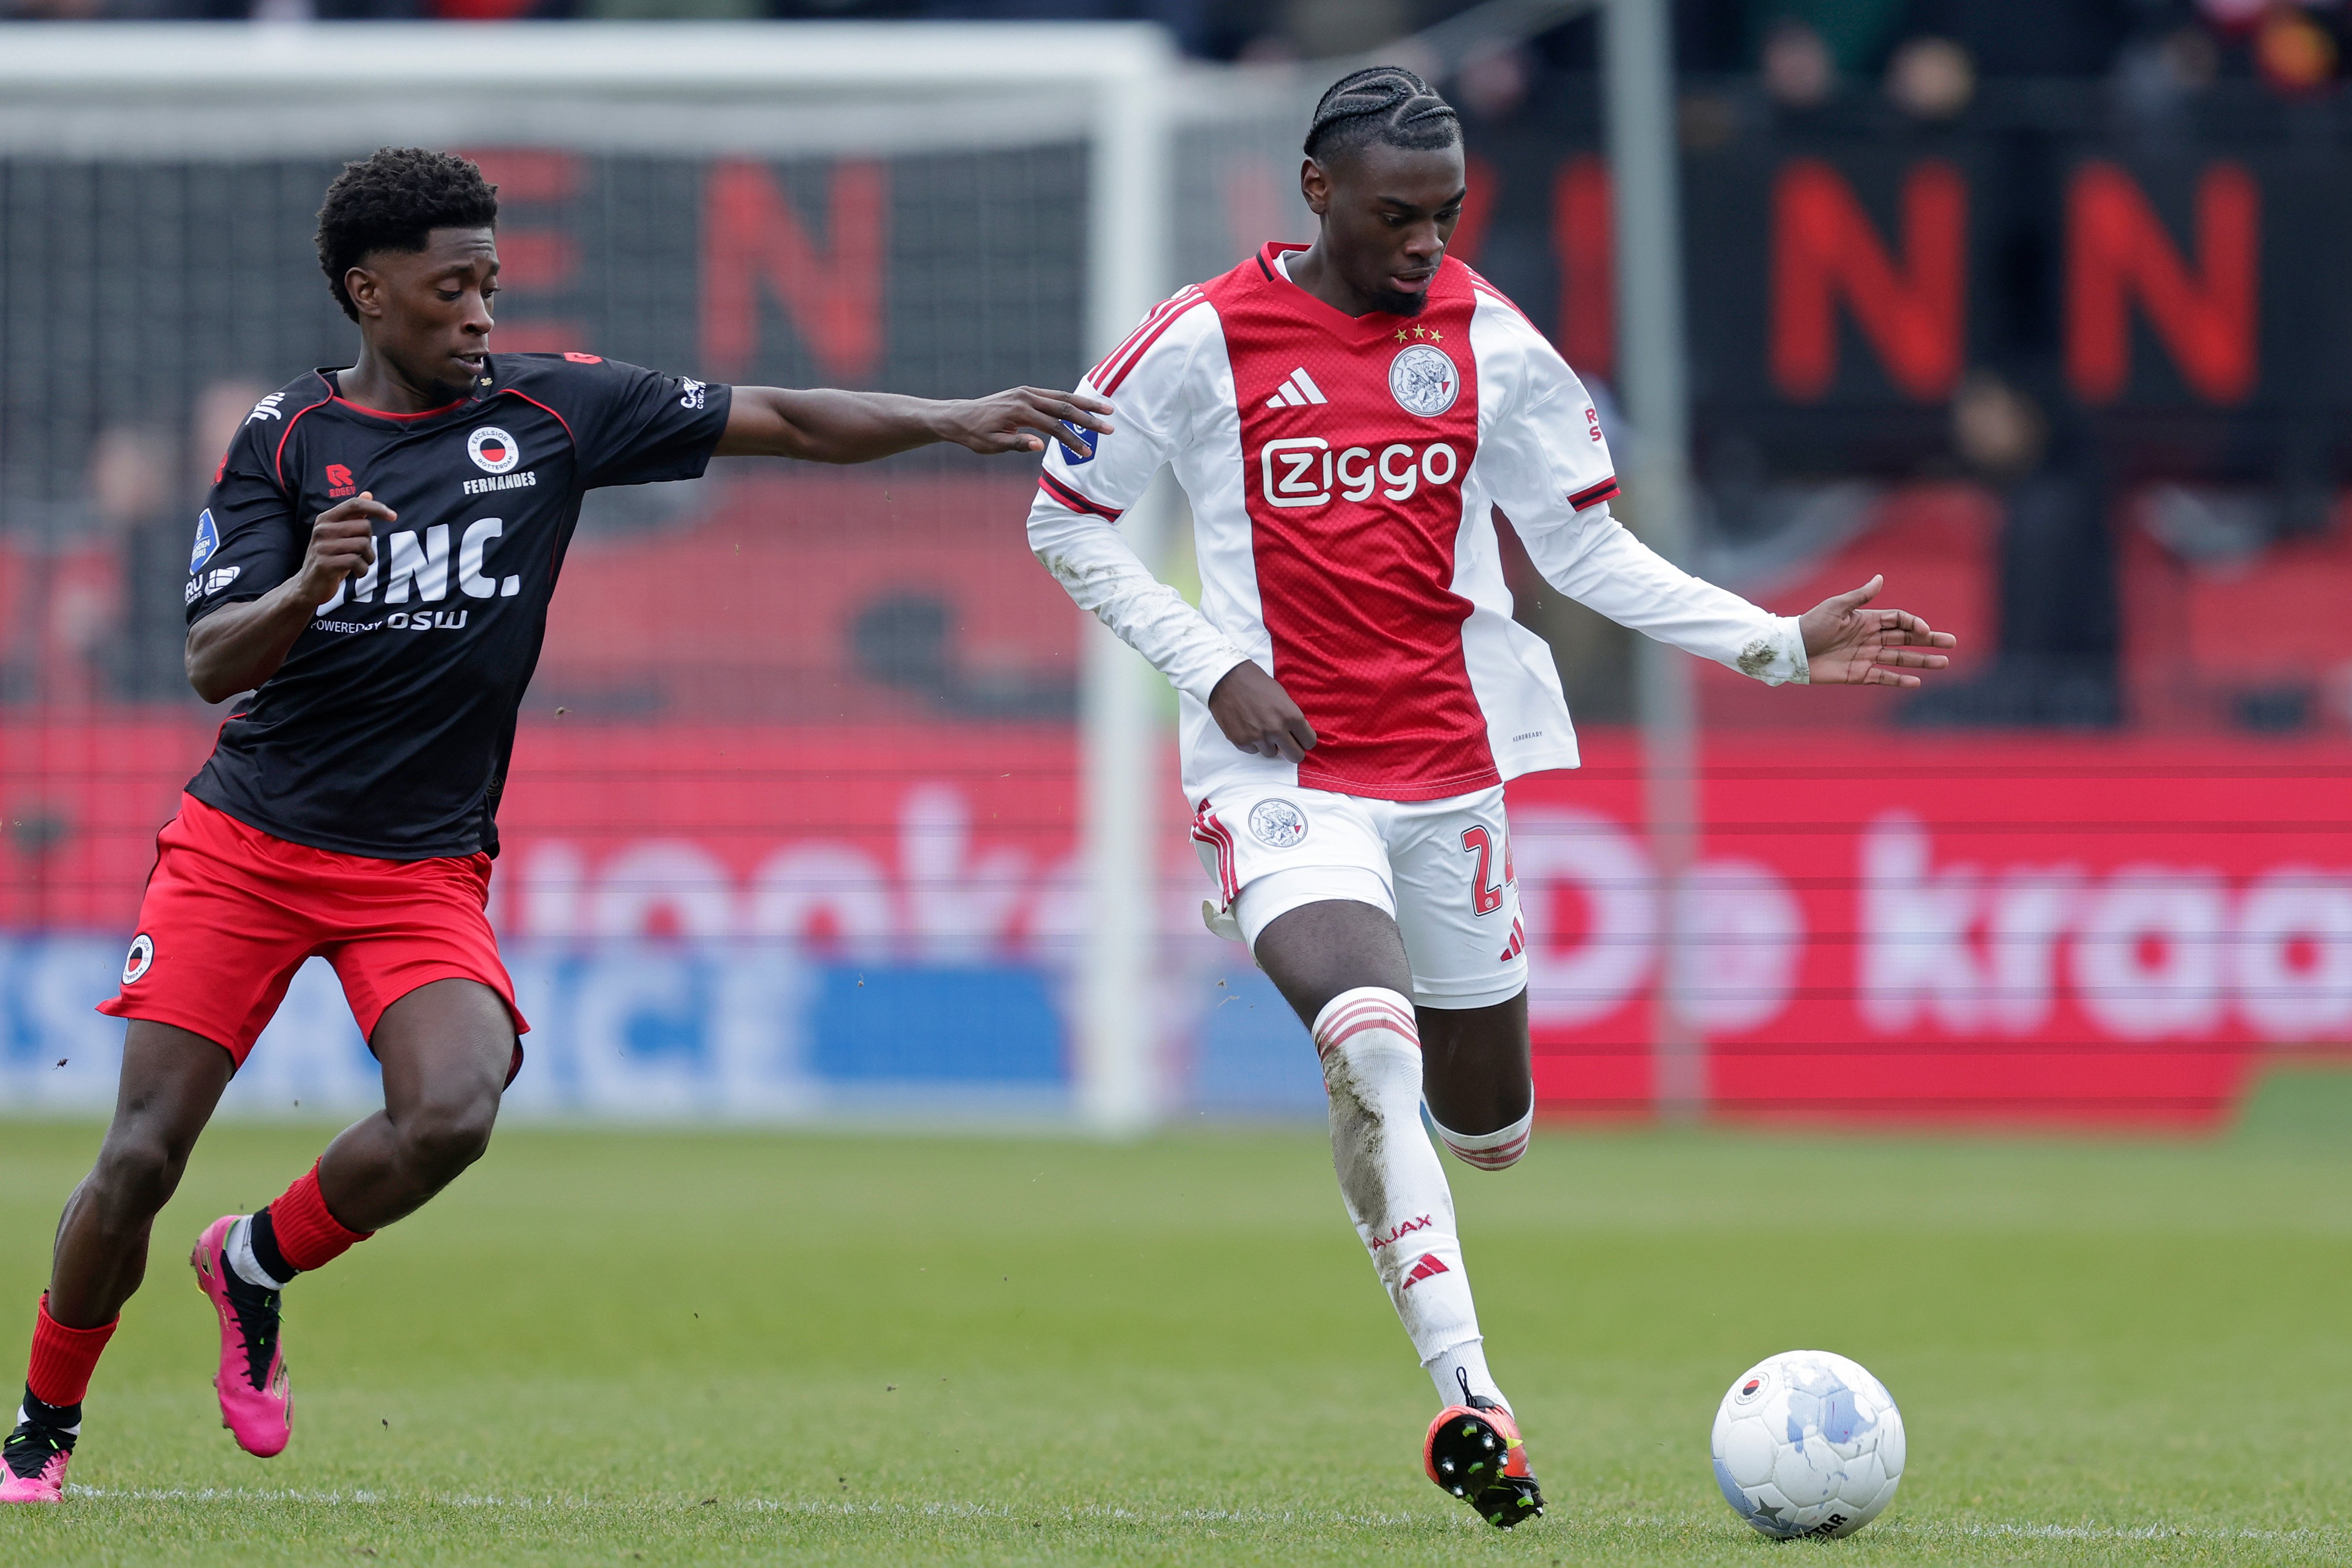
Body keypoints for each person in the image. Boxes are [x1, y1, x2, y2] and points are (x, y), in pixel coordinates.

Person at [0, 146, 1111, 1505]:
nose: (480, 313)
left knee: (453, 1112)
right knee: (138, 1157)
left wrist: (952, 417)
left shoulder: (551, 411)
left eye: (491, 284)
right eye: (451, 289)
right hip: (246, 851)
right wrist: (305, 587)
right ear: (368, 292)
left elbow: (781, 415)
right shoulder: (284, 440)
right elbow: (209, 661)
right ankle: (40, 1431)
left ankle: (254, 1260)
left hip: (417, 870)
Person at [1024, 67, 1954, 1528]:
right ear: (1317, 192)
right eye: (1396, 215)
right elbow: (1064, 521)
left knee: (1488, 1123)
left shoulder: (1491, 340)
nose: (1424, 244)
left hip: (1452, 774)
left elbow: (1584, 551)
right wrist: (1214, 668)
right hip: (1282, 775)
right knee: (1366, 1038)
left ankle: (1426, 1154)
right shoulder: (1199, 338)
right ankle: (1474, 1399)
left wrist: (1773, 643)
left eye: (1446, 215)